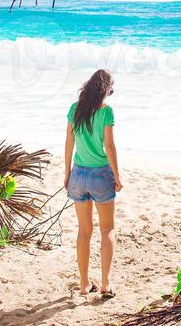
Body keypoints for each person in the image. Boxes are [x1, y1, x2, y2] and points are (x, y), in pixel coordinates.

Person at [64, 69, 122, 298]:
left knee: (84, 230)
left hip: (78, 174)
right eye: (111, 90)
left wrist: (67, 172)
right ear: (104, 90)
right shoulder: (106, 112)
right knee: (107, 228)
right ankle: (106, 284)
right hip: (100, 175)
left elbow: (69, 141)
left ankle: (84, 284)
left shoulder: (75, 109)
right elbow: (109, 147)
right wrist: (117, 176)